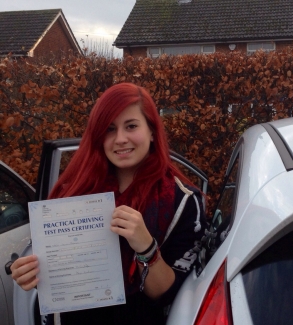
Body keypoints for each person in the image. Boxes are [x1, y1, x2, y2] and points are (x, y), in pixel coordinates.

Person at [10, 83, 206, 325]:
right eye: (110, 129)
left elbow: (167, 294)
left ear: (152, 131)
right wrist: (30, 272)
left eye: (131, 126)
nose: (120, 139)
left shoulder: (182, 200)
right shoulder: (71, 190)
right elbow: (56, 274)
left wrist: (146, 247)